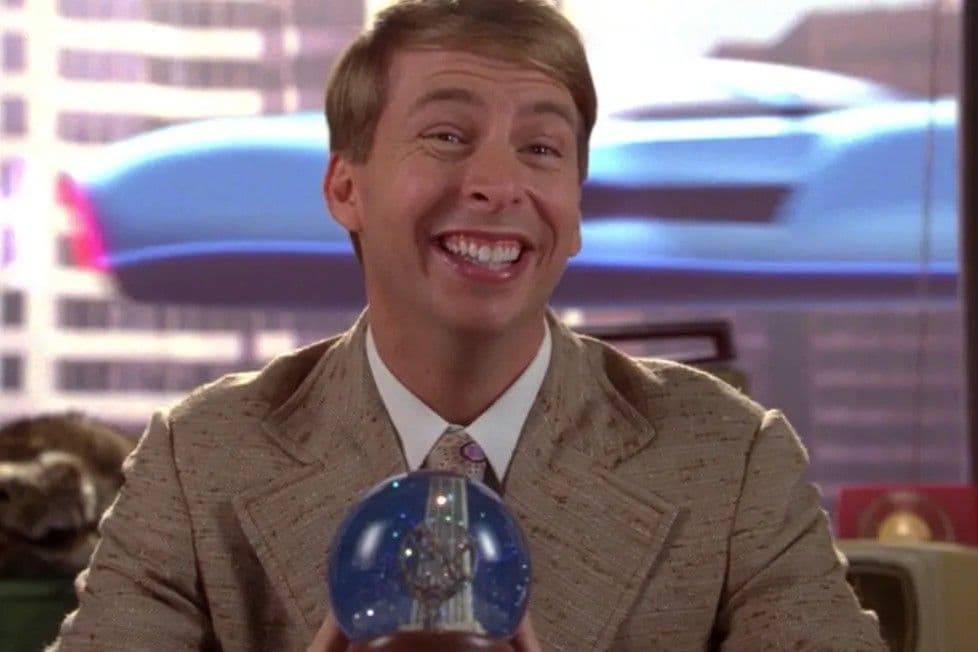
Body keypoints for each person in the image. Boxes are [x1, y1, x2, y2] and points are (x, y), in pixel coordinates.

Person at [51, 1, 886, 650]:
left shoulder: (730, 457)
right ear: (346, 187)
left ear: (577, 207)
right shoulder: (200, 458)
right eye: (447, 136)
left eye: (542, 150)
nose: (498, 183)